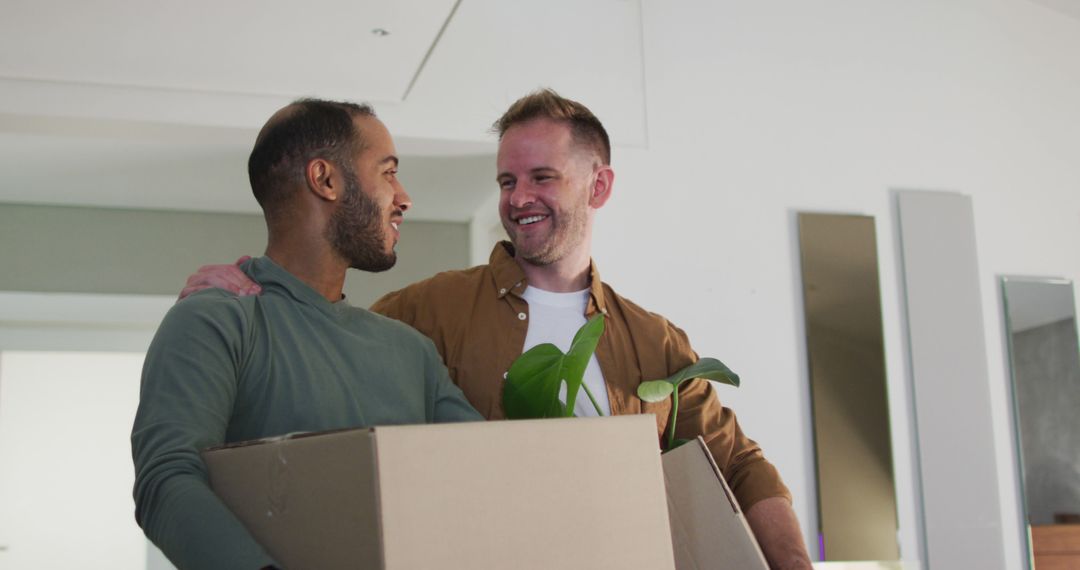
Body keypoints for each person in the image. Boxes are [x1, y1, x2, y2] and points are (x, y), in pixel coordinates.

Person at [183, 90, 813, 568]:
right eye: (507, 181)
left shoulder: (656, 342)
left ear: (600, 186)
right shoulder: (426, 314)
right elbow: (324, 353)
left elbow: (738, 466)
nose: (518, 198)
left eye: (542, 177)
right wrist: (257, 287)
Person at [132, 99, 482, 570]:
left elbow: (487, 473)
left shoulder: (411, 351)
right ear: (326, 180)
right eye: (388, 172)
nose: (403, 196)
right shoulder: (215, 322)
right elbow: (167, 481)